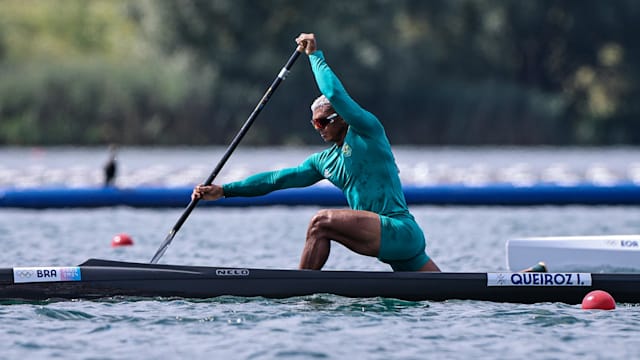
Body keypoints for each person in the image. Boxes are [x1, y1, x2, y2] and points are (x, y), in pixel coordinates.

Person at [192, 33, 440, 272]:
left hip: (399, 230)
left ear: (342, 117)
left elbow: (333, 94)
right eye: (314, 124)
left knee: (320, 223)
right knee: (445, 293)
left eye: (322, 122)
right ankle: (307, 284)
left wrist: (314, 55)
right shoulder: (324, 161)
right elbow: (276, 180)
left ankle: (300, 290)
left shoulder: (367, 131)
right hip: (390, 241)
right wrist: (225, 191)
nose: (317, 128)